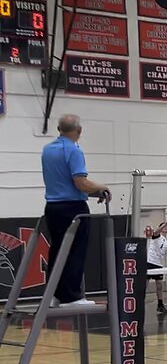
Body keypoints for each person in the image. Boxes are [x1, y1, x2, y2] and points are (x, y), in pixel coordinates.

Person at [40, 114, 111, 307]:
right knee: (75, 252)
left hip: (52, 208)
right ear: (79, 131)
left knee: (57, 251)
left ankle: (56, 294)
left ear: (59, 129)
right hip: (73, 208)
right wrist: (102, 187)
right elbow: (81, 183)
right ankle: (71, 297)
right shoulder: (73, 151)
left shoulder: (47, 150)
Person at [146, 218, 167, 317]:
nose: (165, 227)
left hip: (158, 264)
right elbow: (156, 231)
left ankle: (160, 305)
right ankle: (138, 302)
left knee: (159, 285)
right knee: (144, 284)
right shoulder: (156, 236)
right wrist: (165, 223)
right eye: (164, 226)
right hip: (149, 262)